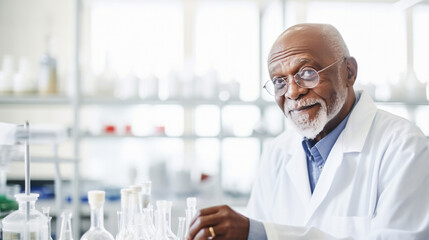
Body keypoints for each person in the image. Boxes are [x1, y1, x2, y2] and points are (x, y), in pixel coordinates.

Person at [186, 23, 429, 240]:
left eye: (307, 73)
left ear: (349, 73)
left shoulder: (404, 146)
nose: (292, 92)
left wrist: (260, 234)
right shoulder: (278, 151)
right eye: (279, 81)